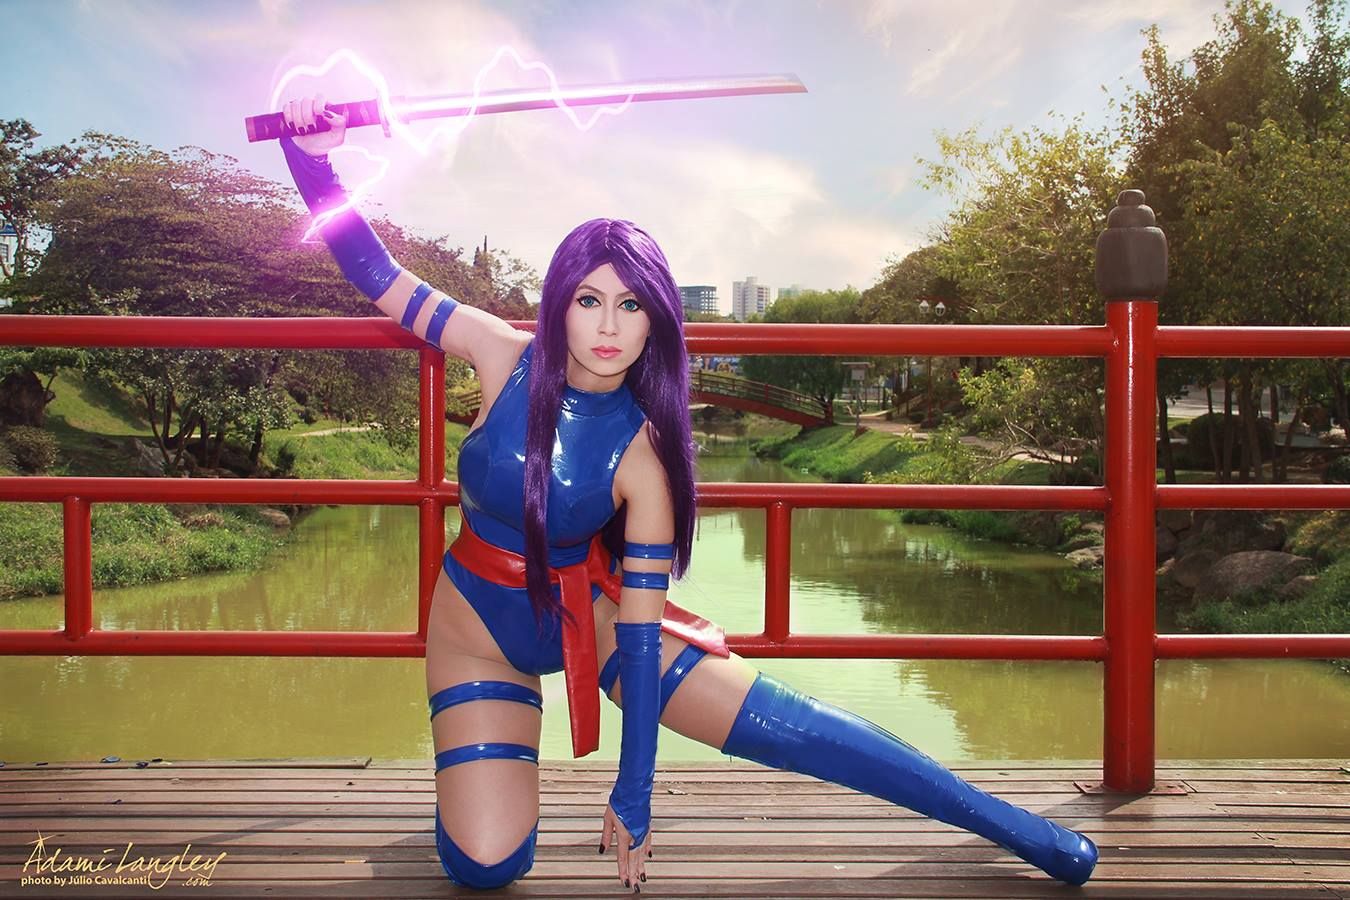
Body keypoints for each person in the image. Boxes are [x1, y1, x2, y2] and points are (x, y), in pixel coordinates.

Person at [277, 94, 1099, 893]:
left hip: (591, 616)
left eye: (630, 304)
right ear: (560, 304)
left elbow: (639, 640)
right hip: (476, 634)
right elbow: (377, 274)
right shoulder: (501, 354)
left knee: (786, 726)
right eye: (589, 300)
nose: (608, 326)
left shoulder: (646, 453)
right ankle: (478, 770)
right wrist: (312, 163)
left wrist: (634, 793)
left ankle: (1016, 827)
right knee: (486, 866)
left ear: (656, 319)